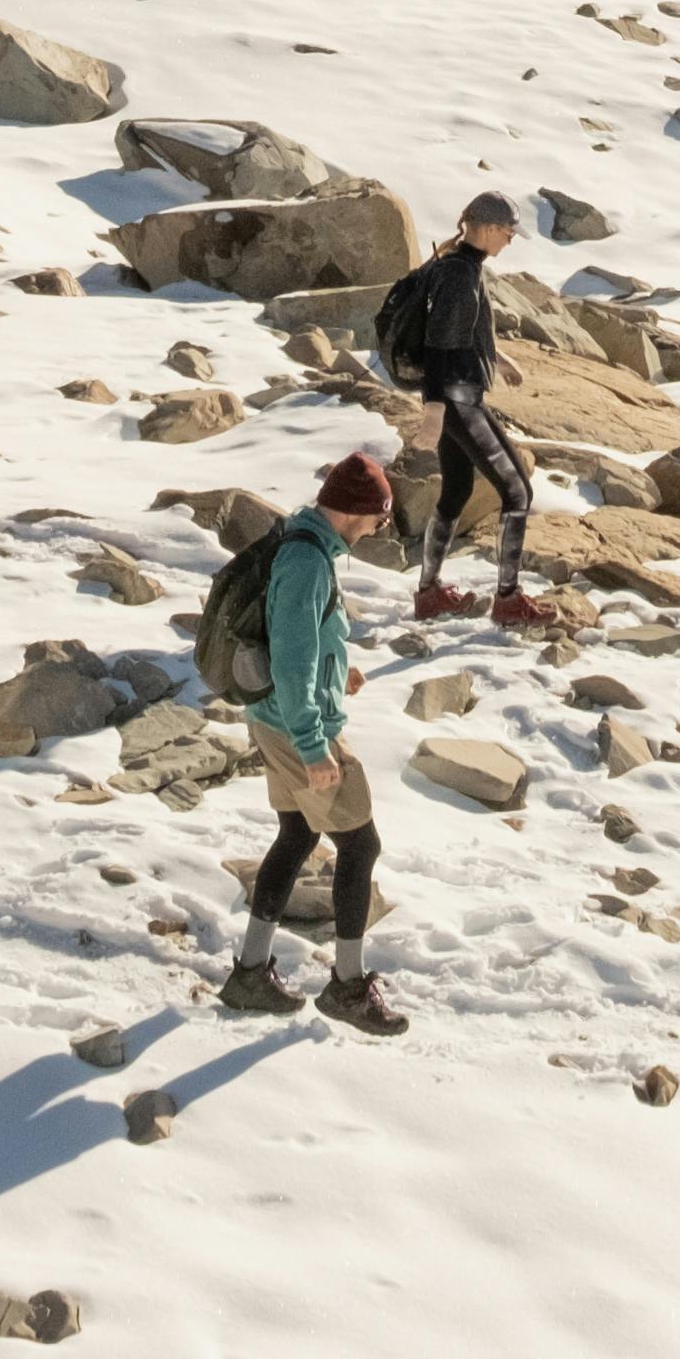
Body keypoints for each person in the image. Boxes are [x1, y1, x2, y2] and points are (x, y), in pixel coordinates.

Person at [225, 450, 406, 1034]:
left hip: (273, 716)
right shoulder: (307, 562)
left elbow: (307, 643)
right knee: (361, 846)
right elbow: (293, 658)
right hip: (295, 726)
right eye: (381, 518)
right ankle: (348, 988)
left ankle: (250, 973)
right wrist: (313, 745)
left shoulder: (305, 547)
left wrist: (338, 668)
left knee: (298, 833)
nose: (382, 528)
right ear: (360, 513)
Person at [373, 190, 553, 631]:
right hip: (456, 399)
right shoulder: (459, 273)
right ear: (490, 229)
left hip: (456, 395)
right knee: (518, 492)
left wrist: (498, 359)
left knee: (456, 490)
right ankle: (508, 600)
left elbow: (464, 330)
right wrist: (434, 411)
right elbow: (439, 345)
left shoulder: (454, 264)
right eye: (509, 233)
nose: (509, 241)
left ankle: (429, 593)